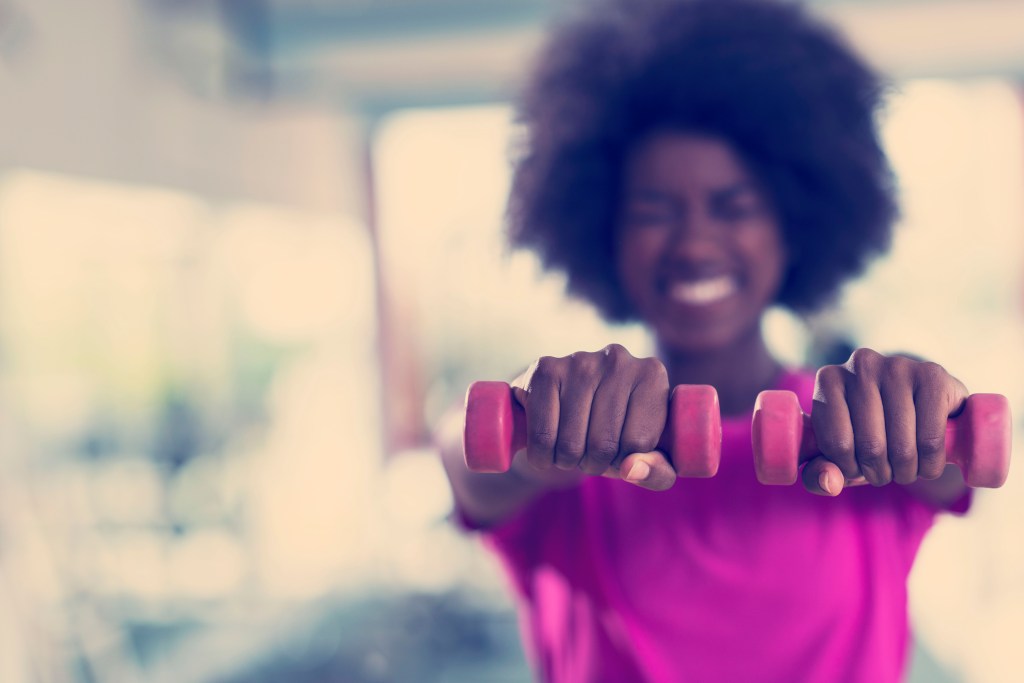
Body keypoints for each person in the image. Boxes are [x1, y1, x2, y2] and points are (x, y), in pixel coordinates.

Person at [437, 0, 973, 680]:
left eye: (734, 207)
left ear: (793, 228)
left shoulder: (861, 431)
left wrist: (925, 402)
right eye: (653, 211)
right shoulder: (561, 432)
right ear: (604, 233)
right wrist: (526, 424)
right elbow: (467, 456)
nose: (693, 244)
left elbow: (953, 463)